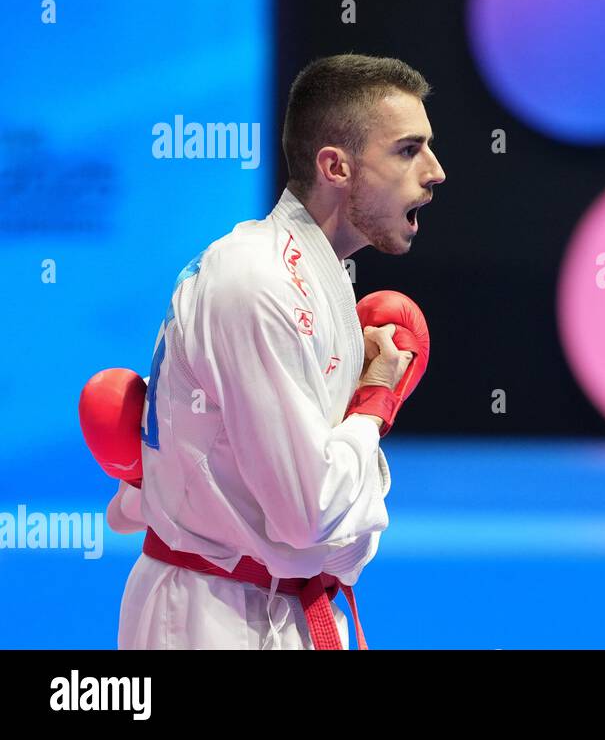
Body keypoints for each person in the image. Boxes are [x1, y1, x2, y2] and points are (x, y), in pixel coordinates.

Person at [108, 54, 445, 649]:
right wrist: (374, 403)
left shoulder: (315, 278)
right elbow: (306, 516)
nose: (435, 171)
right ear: (335, 166)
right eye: (407, 149)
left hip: (274, 604)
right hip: (213, 621)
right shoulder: (257, 281)